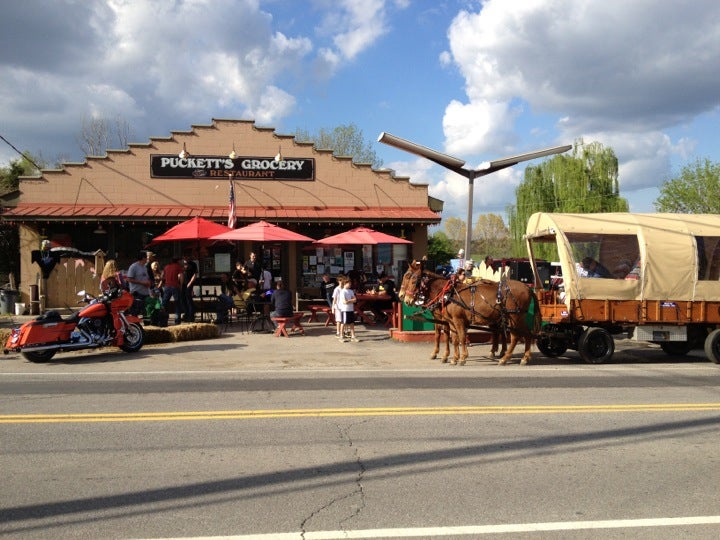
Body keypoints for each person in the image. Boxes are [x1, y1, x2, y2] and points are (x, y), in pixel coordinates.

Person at [126, 251, 152, 316]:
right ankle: (135, 324)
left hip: (146, 292)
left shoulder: (144, 267)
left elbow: (146, 277)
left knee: (146, 310)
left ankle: (147, 323)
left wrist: (149, 282)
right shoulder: (133, 267)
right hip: (137, 293)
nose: (147, 259)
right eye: (146, 257)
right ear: (143, 258)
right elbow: (129, 279)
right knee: (135, 311)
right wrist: (142, 283)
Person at [162, 257, 184, 324]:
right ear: (177, 261)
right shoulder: (178, 267)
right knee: (177, 303)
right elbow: (181, 276)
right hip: (175, 286)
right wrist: (181, 285)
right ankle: (177, 319)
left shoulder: (166, 267)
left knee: (164, 303)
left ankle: (164, 318)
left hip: (167, 286)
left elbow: (162, 276)